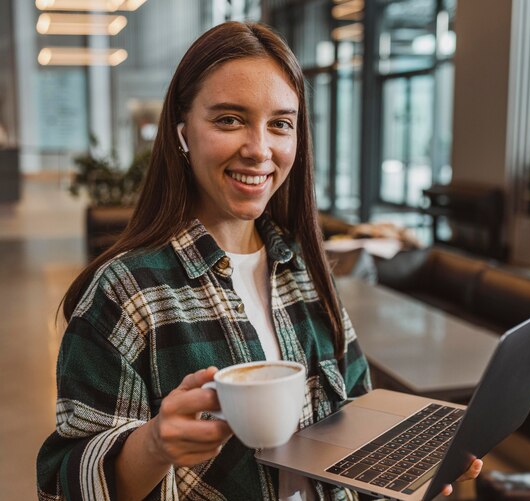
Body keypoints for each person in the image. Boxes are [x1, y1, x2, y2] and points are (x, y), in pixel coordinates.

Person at [37, 21, 481, 500]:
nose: (259, 149)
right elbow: (61, 484)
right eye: (229, 119)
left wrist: (407, 478)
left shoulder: (306, 275)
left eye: (280, 124)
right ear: (182, 133)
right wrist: (153, 445)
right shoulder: (125, 293)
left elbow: (355, 423)